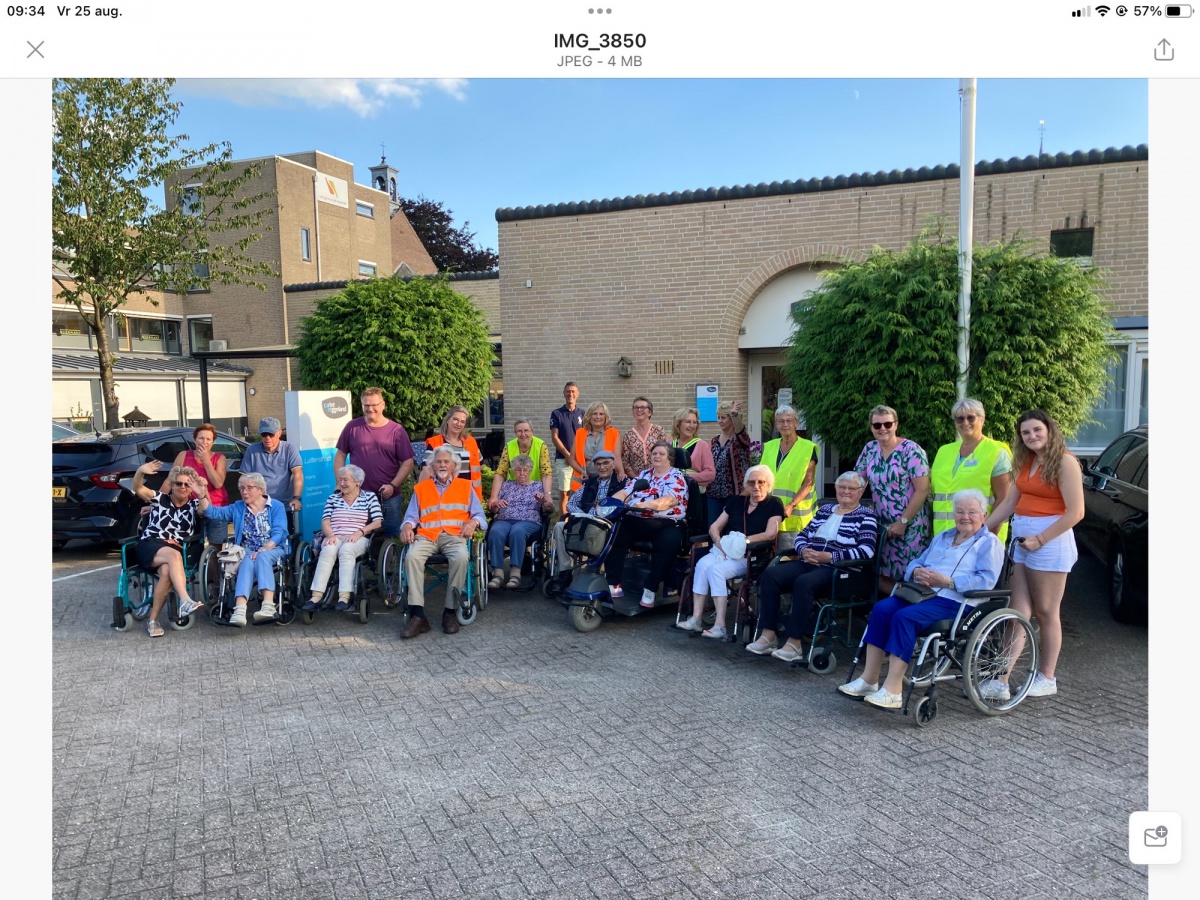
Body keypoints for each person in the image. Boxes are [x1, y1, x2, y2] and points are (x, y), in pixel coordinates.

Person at [838, 489, 1005, 709]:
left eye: (972, 512)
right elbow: (918, 561)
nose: (965, 517)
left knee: (904, 617)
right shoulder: (944, 537)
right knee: (881, 609)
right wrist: (916, 572)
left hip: (958, 602)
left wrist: (947, 581)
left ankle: (893, 689)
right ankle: (869, 679)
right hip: (924, 593)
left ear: (984, 514)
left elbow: (986, 580)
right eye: (960, 511)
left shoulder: (988, 543)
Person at [981, 410, 1084, 699]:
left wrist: (1041, 539)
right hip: (1022, 539)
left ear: (1049, 430)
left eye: (1037, 430)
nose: (1032, 436)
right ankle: (1001, 680)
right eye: (1026, 433)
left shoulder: (1065, 462)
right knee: (1018, 612)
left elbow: (1076, 512)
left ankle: (1047, 677)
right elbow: (1011, 502)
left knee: (1047, 612)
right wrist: (980, 530)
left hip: (1050, 541)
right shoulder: (1026, 461)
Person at [748, 472, 879, 660]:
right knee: (771, 575)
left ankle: (794, 644)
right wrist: (803, 551)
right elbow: (802, 536)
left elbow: (867, 551)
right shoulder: (825, 510)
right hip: (810, 562)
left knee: (804, 582)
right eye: (842, 487)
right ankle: (768, 635)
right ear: (835, 489)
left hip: (840, 571)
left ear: (861, 491)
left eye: (851, 488)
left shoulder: (866, 516)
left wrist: (830, 557)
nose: (846, 491)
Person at [677, 464, 783, 640]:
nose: (756, 486)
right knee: (702, 564)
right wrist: (718, 542)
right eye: (751, 482)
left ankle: (720, 625)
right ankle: (696, 618)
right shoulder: (736, 502)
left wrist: (743, 542)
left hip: (751, 555)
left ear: (768, 484)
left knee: (715, 570)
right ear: (746, 485)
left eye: (761, 482)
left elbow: (771, 533)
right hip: (724, 551)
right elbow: (715, 526)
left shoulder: (773, 504)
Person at [400, 446, 488, 638]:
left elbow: (481, 517)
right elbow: (411, 517)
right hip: (427, 536)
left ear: (454, 466)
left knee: (461, 557)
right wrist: (407, 527)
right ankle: (418, 615)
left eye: (446, 462)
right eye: (438, 462)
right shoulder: (421, 488)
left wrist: (473, 522)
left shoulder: (465, 487)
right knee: (412, 557)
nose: (442, 465)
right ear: (431, 466)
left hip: (454, 536)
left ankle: (450, 611)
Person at [855, 405, 932, 594]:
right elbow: (857, 482)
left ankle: (909, 612)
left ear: (896, 425)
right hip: (882, 527)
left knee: (910, 575)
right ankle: (890, 612)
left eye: (888, 424)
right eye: (877, 425)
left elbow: (922, 490)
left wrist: (903, 521)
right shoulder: (870, 449)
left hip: (911, 527)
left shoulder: (911, 450)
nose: (883, 428)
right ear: (871, 427)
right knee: (882, 575)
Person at [605, 441, 689, 608]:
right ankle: (613, 584)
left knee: (668, 542)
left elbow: (669, 501)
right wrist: (609, 503)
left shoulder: (676, 477)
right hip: (639, 520)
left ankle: (650, 588)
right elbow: (626, 492)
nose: (656, 456)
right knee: (616, 531)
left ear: (670, 458)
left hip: (666, 522)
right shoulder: (644, 474)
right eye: (654, 453)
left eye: (661, 454)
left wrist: (646, 505)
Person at [131, 461, 209, 637]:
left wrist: (201, 492)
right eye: (178, 483)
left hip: (172, 553)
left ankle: (153, 621)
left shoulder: (193, 505)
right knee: (174, 554)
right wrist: (140, 472)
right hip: (151, 545)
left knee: (166, 573)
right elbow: (138, 488)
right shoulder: (159, 499)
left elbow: (208, 511)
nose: (182, 487)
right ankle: (185, 600)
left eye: (186, 484)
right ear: (172, 485)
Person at [202, 472, 289, 626]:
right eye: (242, 488)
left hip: (273, 548)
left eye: (249, 488)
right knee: (247, 561)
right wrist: (201, 495)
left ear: (261, 490)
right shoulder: (238, 507)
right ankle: (240, 611)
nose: (244, 491)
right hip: (247, 550)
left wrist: (266, 547)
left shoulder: (276, 506)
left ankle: (268, 607)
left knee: (262, 557)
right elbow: (213, 513)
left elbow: (280, 531)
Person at [334, 387, 416, 538]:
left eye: (374, 405)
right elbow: (340, 455)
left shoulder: (396, 430)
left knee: (390, 537)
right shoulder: (352, 427)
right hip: (357, 496)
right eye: (366, 405)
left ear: (383, 405)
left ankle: (390, 562)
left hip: (387, 497)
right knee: (357, 538)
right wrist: (340, 482)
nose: (370, 409)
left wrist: (393, 485)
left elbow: (408, 462)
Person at [302, 465, 382, 613]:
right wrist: (330, 535)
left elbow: (377, 521)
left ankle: (344, 597)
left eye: (346, 480)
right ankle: (316, 596)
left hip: (358, 537)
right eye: (340, 480)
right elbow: (325, 521)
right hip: (336, 535)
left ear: (357, 482)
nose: (342, 483)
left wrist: (360, 532)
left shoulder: (369, 497)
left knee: (346, 550)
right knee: (327, 550)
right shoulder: (333, 498)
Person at [929, 397, 1011, 542]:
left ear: (982, 419)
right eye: (959, 419)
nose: (965, 423)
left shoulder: (996, 452)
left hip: (981, 537)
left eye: (970, 418)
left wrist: (986, 536)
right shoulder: (944, 451)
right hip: (944, 537)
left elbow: (1005, 499)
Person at [547, 449, 625, 589]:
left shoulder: (621, 483)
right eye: (598, 464)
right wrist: (584, 516)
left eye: (606, 463)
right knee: (559, 526)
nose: (602, 467)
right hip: (585, 522)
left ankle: (594, 572)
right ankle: (565, 573)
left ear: (614, 464)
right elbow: (571, 504)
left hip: (606, 526)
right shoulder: (590, 483)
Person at [486, 454, 550, 590]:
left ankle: (515, 574)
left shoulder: (538, 486)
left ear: (530, 470)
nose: (521, 473)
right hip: (504, 518)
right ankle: (498, 574)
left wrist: (543, 501)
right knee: (495, 531)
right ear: (513, 471)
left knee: (518, 531)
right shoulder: (506, 485)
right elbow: (493, 508)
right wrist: (497, 503)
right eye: (518, 470)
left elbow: (549, 508)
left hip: (529, 521)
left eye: (525, 470)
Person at [165, 423, 228, 546]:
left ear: (213, 442)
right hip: (189, 508)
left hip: (215, 507)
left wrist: (205, 460)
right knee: (191, 546)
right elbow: (169, 481)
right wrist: (157, 503)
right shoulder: (184, 455)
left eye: (208, 439)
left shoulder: (220, 458)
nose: (204, 442)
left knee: (216, 548)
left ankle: (212, 565)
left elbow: (218, 483)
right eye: (201, 438)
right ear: (195, 440)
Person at [761, 405, 818, 535]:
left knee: (792, 554)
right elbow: (761, 477)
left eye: (789, 420)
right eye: (781, 421)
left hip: (796, 514)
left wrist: (791, 505)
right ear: (776, 424)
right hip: (771, 512)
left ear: (796, 423)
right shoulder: (769, 447)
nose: (785, 424)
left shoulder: (808, 448)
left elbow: (808, 483)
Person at [240, 416, 304, 522]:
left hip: (283, 506)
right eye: (264, 434)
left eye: (271, 434)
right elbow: (244, 478)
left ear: (279, 433)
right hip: (259, 505)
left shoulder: (289, 448)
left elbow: (297, 474)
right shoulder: (252, 450)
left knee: (283, 535)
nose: (267, 438)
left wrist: (296, 498)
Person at [419, 405, 484, 502]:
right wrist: (419, 497)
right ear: (447, 420)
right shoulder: (435, 443)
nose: (459, 424)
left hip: (469, 495)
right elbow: (426, 471)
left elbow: (480, 465)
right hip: (443, 494)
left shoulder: (470, 442)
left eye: (462, 422)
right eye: (455, 419)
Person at [490, 418, 553, 507]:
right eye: (519, 431)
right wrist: (494, 497)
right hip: (514, 489)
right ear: (515, 433)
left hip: (534, 489)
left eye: (526, 431)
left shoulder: (541, 445)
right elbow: (500, 473)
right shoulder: (509, 446)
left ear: (532, 432)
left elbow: (546, 473)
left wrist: (547, 494)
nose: (523, 434)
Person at [708, 400, 752, 526]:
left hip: (734, 493)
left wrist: (734, 415)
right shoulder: (715, 440)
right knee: (713, 528)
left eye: (723, 418)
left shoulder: (740, 440)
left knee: (732, 529)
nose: (719, 421)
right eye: (718, 417)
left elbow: (740, 431)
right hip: (714, 494)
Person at [571, 401, 625, 490]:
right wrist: (582, 471)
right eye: (594, 414)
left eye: (601, 414)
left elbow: (617, 457)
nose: (598, 417)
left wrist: (621, 473)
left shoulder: (614, 433)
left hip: (606, 480)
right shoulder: (580, 433)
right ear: (589, 416)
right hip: (583, 480)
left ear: (606, 417)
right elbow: (571, 459)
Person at [550, 382, 585, 517]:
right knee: (564, 492)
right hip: (563, 459)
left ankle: (577, 519)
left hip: (580, 460)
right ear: (564, 393)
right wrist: (567, 455)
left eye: (573, 391)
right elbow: (554, 437)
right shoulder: (557, 413)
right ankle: (563, 522)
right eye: (568, 391)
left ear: (577, 394)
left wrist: (577, 457)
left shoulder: (583, 413)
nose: (570, 394)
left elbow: (585, 437)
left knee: (580, 491)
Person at [670, 406, 715, 502]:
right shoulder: (669, 444)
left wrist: (685, 476)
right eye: (688, 422)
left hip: (694, 497)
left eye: (694, 422)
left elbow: (710, 474)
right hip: (671, 495)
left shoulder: (702, 445)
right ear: (678, 424)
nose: (692, 425)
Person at [621, 396, 668, 480]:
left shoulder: (659, 431)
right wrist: (637, 478)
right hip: (636, 479)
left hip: (658, 477)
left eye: (642, 407)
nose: (639, 410)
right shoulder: (628, 435)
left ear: (649, 412)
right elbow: (625, 461)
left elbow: (666, 455)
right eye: (636, 407)